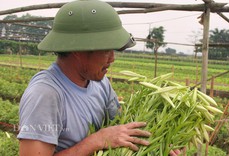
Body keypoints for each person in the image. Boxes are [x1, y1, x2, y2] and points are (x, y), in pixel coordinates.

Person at [17, 0, 181, 155]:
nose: (112, 58)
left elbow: (120, 130)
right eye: (106, 50)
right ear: (78, 49)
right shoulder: (46, 94)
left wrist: (160, 145)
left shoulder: (100, 83)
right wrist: (97, 140)